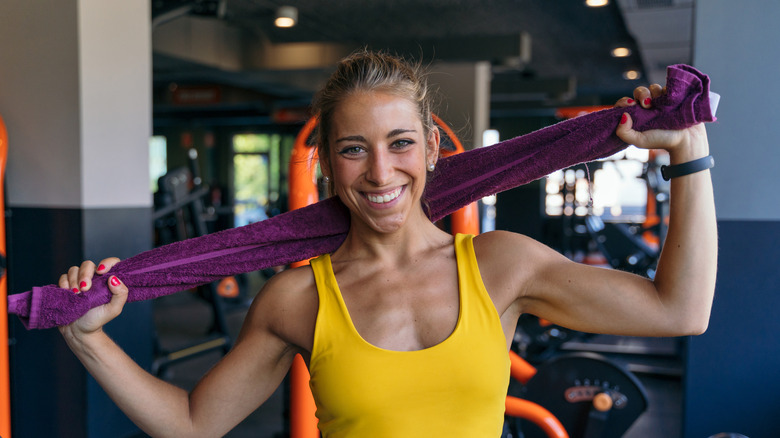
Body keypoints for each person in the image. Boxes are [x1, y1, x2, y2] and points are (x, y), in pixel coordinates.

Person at [58, 50, 716, 437]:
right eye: (353, 150)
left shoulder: (501, 265)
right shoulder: (297, 299)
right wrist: (89, 338)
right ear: (328, 166)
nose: (379, 172)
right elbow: (195, 424)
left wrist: (689, 154)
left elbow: (678, 311)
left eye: (400, 143)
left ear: (431, 148)